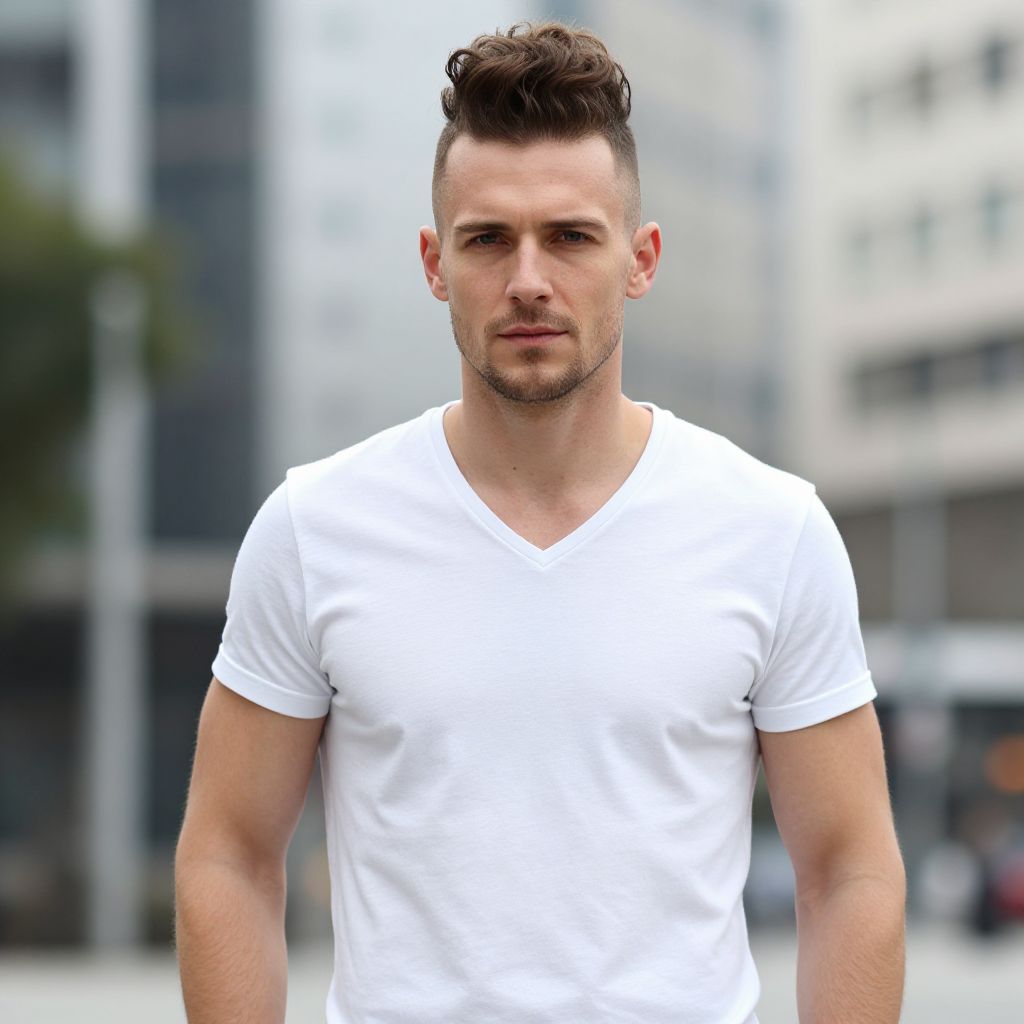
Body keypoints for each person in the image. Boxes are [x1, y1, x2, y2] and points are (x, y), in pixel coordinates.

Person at [174, 21, 906, 1024]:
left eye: (569, 236)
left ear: (638, 259)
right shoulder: (314, 528)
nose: (527, 279)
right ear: (434, 264)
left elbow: (851, 870)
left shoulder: (771, 531)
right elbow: (226, 855)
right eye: (487, 240)